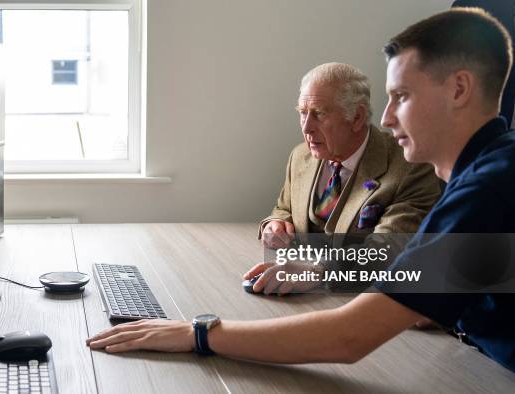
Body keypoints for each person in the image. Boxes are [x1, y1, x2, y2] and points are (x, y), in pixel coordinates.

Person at [86, 8, 515, 372]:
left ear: (459, 89)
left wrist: (196, 332)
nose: (385, 118)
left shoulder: (488, 188)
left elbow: (348, 338)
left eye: (400, 96)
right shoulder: (492, 172)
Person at [259, 64, 440, 253]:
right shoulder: (299, 156)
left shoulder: (411, 166)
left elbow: (386, 249)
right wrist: (276, 223)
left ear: (357, 118)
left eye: (319, 113)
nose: (306, 128)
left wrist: (319, 272)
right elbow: (284, 209)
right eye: (303, 113)